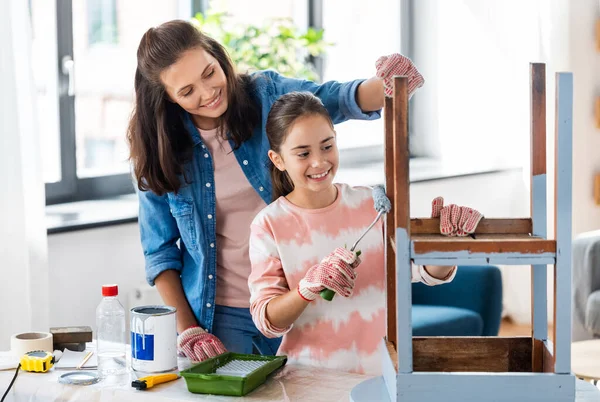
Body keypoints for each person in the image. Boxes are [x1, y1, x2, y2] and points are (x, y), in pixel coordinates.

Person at [127, 19, 423, 362]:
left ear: (217, 57)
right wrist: (188, 328)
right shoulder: (158, 151)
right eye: (187, 91)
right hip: (223, 316)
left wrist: (390, 84)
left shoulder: (264, 94)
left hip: (301, 297)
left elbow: (333, 100)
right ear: (166, 97)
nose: (207, 93)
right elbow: (160, 253)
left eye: (209, 73)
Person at [248, 91, 456, 375]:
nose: (319, 162)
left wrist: (445, 243)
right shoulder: (268, 224)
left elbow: (422, 272)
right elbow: (267, 320)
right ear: (278, 159)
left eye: (327, 146)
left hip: (383, 372)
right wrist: (307, 288)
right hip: (309, 379)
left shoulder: (372, 205)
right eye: (303, 153)